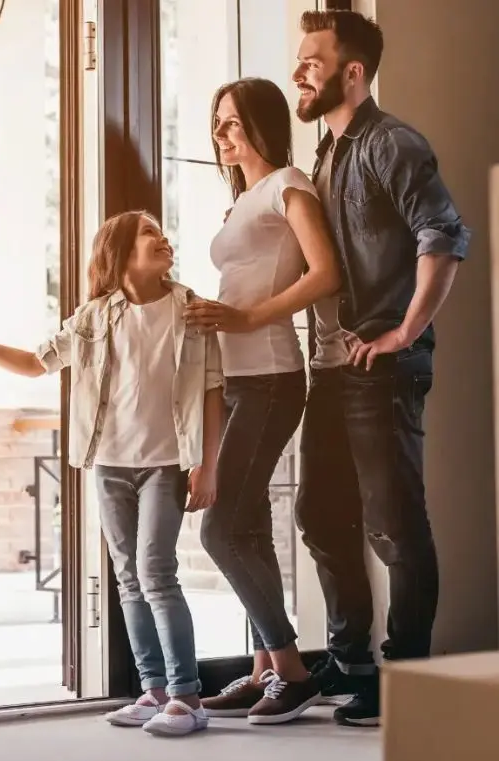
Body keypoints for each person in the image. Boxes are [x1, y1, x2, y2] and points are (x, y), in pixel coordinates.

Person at [0, 211, 226, 737]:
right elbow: (34, 362)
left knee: (156, 573)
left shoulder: (190, 310)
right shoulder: (93, 317)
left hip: (166, 462)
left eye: (162, 232)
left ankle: (187, 697)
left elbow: (213, 390)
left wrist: (207, 466)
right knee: (129, 578)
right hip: (108, 461)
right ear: (121, 252)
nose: (163, 238)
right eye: (149, 233)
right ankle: (154, 690)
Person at [289, 10, 471, 727]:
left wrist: (405, 331)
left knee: (395, 527)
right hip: (332, 368)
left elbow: (444, 234)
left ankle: (406, 677)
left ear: (353, 71)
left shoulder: (391, 143)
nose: (299, 72)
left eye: (312, 62)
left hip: (383, 368)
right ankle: (352, 664)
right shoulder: (324, 155)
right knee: (318, 514)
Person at [183, 77, 342, 724]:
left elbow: (325, 272)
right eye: (216, 123)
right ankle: (262, 673)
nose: (221, 134)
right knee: (246, 526)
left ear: (262, 124)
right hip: (237, 377)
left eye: (232, 122)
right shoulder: (244, 200)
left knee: (220, 527)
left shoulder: (288, 185)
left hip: (273, 375)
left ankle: (293, 671)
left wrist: (247, 319)